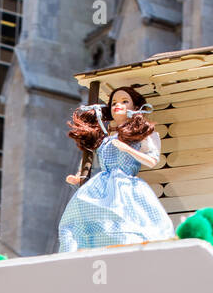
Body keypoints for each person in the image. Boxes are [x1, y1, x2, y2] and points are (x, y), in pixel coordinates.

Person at [57, 86, 174, 251]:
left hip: (126, 186)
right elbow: (91, 159)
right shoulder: (106, 138)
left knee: (126, 221)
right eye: (113, 102)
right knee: (79, 212)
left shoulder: (141, 134)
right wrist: (78, 176)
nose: (117, 105)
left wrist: (128, 149)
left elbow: (152, 160)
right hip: (100, 186)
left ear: (135, 108)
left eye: (125, 101)